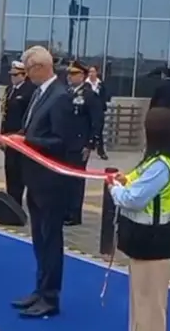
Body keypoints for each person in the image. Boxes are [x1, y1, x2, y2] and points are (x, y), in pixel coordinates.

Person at [0, 45, 76, 319]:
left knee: (50, 239)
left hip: (51, 181)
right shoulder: (41, 94)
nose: (26, 75)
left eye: (29, 69)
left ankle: (50, 296)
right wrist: (14, 137)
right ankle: (40, 288)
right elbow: (31, 128)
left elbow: (61, 142)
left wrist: (26, 141)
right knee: (39, 239)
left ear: (40, 68)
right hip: (34, 178)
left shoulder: (60, 97)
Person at [108, 107, 170, 331]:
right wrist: (124, 180)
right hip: (149, 242)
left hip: (153, 242)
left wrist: (114, 189)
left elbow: (134, 199)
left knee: (149, 306)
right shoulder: (156, 161)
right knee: (142, 302)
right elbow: (136, 180)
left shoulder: (161, 166)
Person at [64, 59, 104, 226]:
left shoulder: (89, 95)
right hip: (66, 142)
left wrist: (90, 144)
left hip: (80, 144)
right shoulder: (68, 92)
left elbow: (97, 121)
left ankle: (74, 213)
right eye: (69, 73)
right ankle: (65, 210)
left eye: (74, 74)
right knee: (65, 178)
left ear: (83, 76)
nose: (69, 77)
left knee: (76, 180)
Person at [1, 60, 35, 206]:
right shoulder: (10, 89)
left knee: (18, 171)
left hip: (20, 136)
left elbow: (28, 116)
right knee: (9, 169)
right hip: (8, 136)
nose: (13, 78)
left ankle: (16, 202)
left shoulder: (29, 90)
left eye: (16, 75)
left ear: (24, 75)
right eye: (11, 75)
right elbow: (4, 114)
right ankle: (11, 200)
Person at [87, 65, 110, 160]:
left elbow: (105, 96)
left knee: (98, 131)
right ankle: (87, 148)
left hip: (98, 111)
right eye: (90, 72)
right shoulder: (86, 84)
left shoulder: (100, 84)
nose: (91, 74)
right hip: (87, 111)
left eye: (93, 71)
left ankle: (101, 151)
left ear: (96, 73)